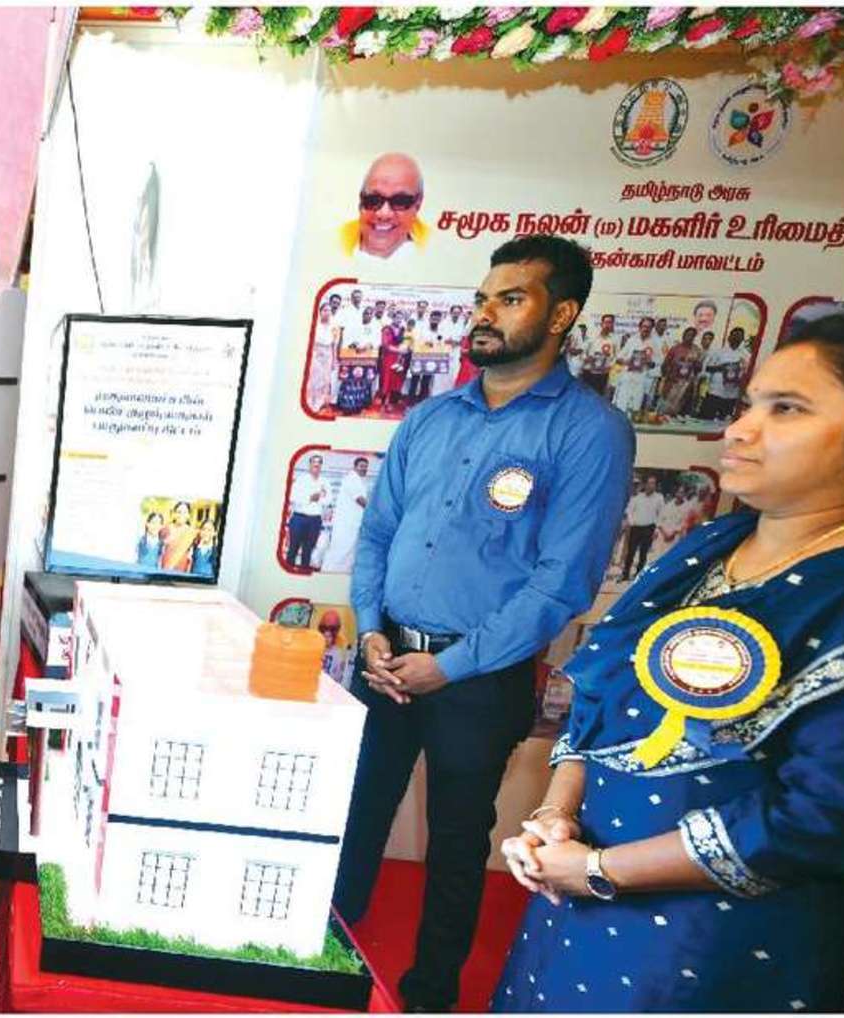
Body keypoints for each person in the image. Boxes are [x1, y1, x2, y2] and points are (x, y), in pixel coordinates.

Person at [492, 314, 844, 1012]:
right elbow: (600, 699)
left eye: (786, 409)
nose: (740, 430)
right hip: (572, 903)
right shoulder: (710, 546)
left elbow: (817, 819)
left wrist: (602, 869)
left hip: (713, 946)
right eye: (749, 404)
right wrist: (555, 817)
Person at [339, 235, 634, 1012]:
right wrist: (371, 630)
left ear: (561, 315)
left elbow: (561, 583)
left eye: (510, 299)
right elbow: (378, 534)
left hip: (478, 679)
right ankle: (329, 961)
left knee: (457, 841)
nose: (485, 314)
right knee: (353, 815)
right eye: (481, 299)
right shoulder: (432, 417)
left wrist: (450, 665)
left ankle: (429, 995)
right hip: (385, 659)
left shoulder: (588, 431)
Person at [342, 152, 427, 260]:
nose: (384, 213)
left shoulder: (435, 250)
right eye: (374, 199)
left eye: (399, 201)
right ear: (361, 200)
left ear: (418, 204)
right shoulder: (333, 243)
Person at [320, 456, 372, 573]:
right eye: (361, 466)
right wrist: (375, 512)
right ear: (355, 467)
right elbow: (360, 500)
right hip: (346, 524)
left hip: (353, 523)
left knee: (349, 551)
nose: (364, 469)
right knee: (342, 549)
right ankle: (329, 572)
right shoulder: (352, 479)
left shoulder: (358, 480)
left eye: (366, 467)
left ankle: (341, 573)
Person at [284, 456, 331, 571]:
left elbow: (328, 500)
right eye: (314, 462)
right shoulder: (301, 480)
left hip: (315, 520)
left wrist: (319, 499)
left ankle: (304, 573)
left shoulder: (325, 482)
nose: (316, 464)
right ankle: (287, 574)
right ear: (309, 465)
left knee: (308, 550)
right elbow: (292, 497)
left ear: (321, 466)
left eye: (319, 463)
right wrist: (310, 498)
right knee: (293, 548)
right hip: (299, 518)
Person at [699, 326, 751, 421]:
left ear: (742, 339)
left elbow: (747, 374)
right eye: (734, 335)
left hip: (732, 395)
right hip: (715, 392)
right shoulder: (718, 352)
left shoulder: (746, 355)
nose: (736, 338)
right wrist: (721, 368)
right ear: (729, 337)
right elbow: (707, 368)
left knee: (723, 423)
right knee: (705, 419)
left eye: (739, 336)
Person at [619, 473, 664, 581]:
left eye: (653, 483)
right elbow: (629, 510)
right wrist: (632, 521)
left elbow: (661, 514)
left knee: (643, 553)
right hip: (636, 528)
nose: (651, 486)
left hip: (649, 528)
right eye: (649, 483)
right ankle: (625, 574)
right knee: (631, 552)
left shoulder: (659, 498)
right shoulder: (637, 497)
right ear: (645, 484)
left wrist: (657, 528)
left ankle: (638, 574)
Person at [159, 498, 199, 572]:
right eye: (179, 512)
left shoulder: (192, 533)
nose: (181, 515)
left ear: (188, 515)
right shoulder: (165, 529)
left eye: (185, 512)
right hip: (165, 567)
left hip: (182, 569)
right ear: (174, 514)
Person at [191, 513, 220, 577]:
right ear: (200, 531)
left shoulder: (216, 551)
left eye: (209, 530)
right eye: (204, 529)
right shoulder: (194, 548)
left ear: (214, 533)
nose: (206, 532)